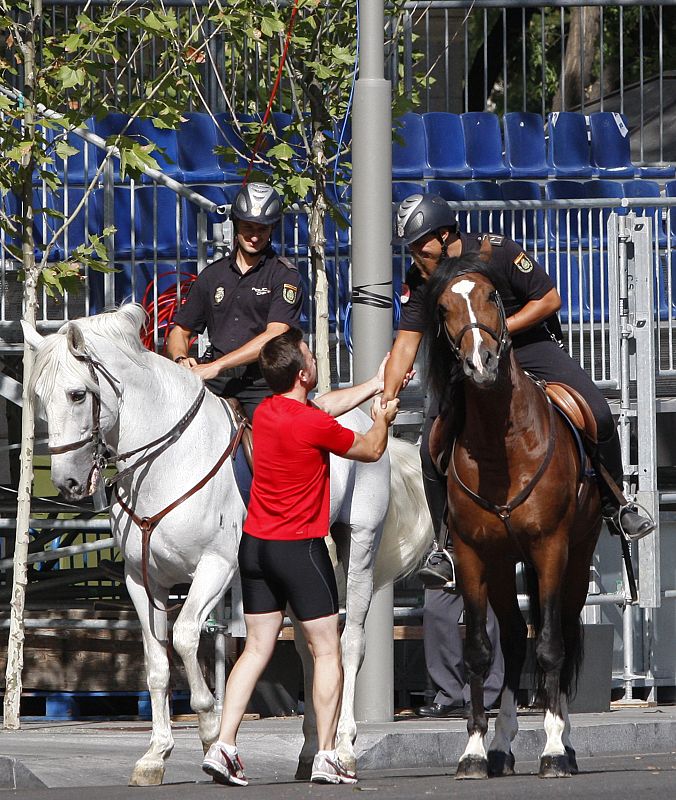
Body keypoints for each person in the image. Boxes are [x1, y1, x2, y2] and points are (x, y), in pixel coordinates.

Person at [382, 191, 655, 564]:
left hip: (527, 345)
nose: (414, 256)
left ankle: (617, 505)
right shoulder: (421, 277)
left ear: (445, 235)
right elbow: (404, 345)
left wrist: (497, 331)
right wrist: (387, 396)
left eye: (419, 246)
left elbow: (549, 300)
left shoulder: (500, 251)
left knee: (598, 412)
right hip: (469, 357)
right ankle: (443, 546)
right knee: (430, 452)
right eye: (409, 249)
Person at [201, 327, 400, 787]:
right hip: (300, 550)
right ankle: (327, 753)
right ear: (305, 373)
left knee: (255, 649)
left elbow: (325, 406)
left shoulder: (265, 412)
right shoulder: (312, 423)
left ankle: (224, 746)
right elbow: (370, 449)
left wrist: (373, 383)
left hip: (255, 548)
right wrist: (382, 417)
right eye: (310, 357)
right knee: (326, 649)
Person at [167, 181, 303, 419]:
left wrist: (217, 366)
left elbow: (275, 334)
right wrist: (181, 359)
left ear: (272, 229)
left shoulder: (284, 275)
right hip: (215, 380)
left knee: (273, 444)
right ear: (236, 224)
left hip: (263, 383)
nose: (254, 236)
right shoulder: (212, 275)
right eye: (248, 227)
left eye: (262, 229)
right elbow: (180, 331)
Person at [417, 588, 504, 718]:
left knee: (487, 611)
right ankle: (450, 694)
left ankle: (482, 696)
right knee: (435, 609)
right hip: (450, 568)